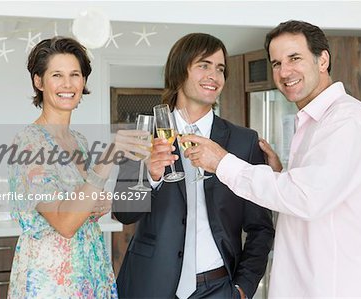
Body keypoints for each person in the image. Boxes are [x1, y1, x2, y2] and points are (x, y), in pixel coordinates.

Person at [182, 20, 361, 298]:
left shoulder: (348, 122)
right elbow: (311, 193)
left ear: (322, 60)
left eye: (295, 58)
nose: (284, 71)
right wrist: (281, 175)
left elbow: (306, 198)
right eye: (276, 63)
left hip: (336, 286)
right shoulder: (312, 123)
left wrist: (222, 162)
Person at [113, 33, 275, 299]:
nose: (214, 75)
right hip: (149, 284)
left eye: (220, 68)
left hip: (219, 288)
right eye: (204, 65)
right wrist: (150, 178)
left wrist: (243, 288)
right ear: (179, 72)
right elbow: (124, 213)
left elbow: (260, 228)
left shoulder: (243, 141)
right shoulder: (143, 135)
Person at [7, 36, 149, 298]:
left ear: (83, 81)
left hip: (89, 270)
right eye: (57, 75)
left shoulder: (78, 140)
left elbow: (82, 200)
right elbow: (65, 223)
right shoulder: (29, 143)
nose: (68, 84)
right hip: (53, 281)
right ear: (39, 81)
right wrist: (108, 157)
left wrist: (102, 202)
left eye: (75, 74)